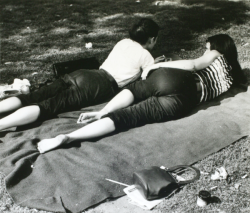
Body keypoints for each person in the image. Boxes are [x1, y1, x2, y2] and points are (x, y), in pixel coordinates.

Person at [37, 34, 245, 153]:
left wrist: (156, 66)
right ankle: (69, 137)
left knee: (134, 91)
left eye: (207, 47)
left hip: (177, 79)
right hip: (186, 101)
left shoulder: (217, 53)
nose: (205, 50)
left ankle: (102, 112)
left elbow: (193, 64)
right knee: (130, 117)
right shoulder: (233, 75)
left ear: (217, 47)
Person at [0, 18, 160, 131]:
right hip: (100, 84)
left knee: (34, 96)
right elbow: (148, 79)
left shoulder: (123, 42)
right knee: (48, 107)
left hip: (85, 74)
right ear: (152, 39)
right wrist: (155, 64)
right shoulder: (146, 56)